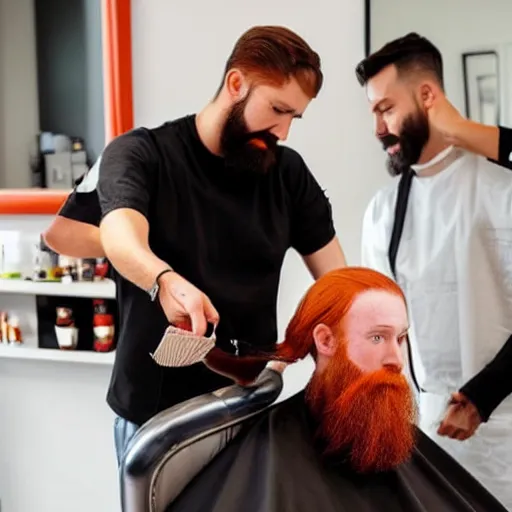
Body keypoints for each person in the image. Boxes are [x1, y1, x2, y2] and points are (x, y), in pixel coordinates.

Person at [42, 25, 347, 466]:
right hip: (157, 420)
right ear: (236, 84)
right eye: (277, 109)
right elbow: (77, 236)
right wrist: (157, 273)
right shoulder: (141, 153)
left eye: (293, 117)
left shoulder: (287, 173)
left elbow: (336, 280)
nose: (283, 130)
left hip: (249, 404)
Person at [165, 267, 506, 511]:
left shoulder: (391, 436)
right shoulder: (275, 455)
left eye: (400, 338)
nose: (396, 360)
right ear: (326, 340)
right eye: (377, 337)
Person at [355, 32, 512, 508]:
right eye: (374, 113)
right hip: (425, 439)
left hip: (505, 434)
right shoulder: (383, 212)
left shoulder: (501, 189)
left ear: (428, 97)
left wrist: (485, 396)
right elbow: (375, 329)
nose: (379, 127)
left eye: (386, 108)